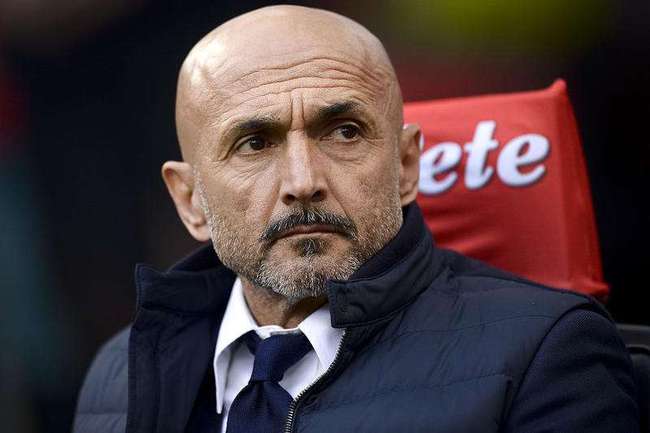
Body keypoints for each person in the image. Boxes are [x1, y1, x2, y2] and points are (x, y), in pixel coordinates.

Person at [73, 5, 639, 433]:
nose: (302, 182)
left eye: (344, 132)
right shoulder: (118, 375)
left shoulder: (547, 354)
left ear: (406, 166)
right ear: (190, 200)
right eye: (255, 143)